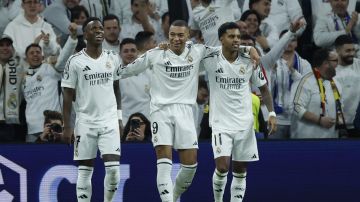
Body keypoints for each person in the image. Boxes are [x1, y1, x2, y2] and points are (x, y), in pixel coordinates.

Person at [118, 19, 259, 202]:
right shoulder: (156, 54)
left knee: (190, 168)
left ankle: (174, 196)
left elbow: (227, 49)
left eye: (180, 35)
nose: (176, 39)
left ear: (187, 36)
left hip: (186, 111)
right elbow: (127, 70)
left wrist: (250, 49)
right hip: (160, 111)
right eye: (172, 35)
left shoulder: (198, 51)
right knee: (164, 162)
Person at [200, 22, 276, 202]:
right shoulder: (211, 58)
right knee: (223, 166)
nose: (235, 40)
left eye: (238, 37)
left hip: (244, 124)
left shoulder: (250, 61)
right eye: (231, 36)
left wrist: (272, 114)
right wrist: (249, 47)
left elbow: (264, 89)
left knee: (240, 170)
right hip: (220, 123)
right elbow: (189, 50)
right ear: (221, 39)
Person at [61, 17, 122, 202]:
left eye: (101, 28)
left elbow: (117, 88)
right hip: (85, 121)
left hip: (109, 120)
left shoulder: (113, 58)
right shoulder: (75, 61)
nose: (99, 31)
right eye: (94, 28)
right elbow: (67, 95)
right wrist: (67, 126)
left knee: (113, 171)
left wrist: (119, 118)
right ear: (85, 34)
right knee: (85, 171)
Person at [22, 24, 77, 142]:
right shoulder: (23, 78)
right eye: (31, 53)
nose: (35, 54)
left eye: (38, 52)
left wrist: (72, 39)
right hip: (32, 129)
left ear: (42, 56)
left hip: (53, 125)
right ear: (26, 58)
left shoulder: (49, 69)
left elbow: (63, 57)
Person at [290, 49, 344, 138]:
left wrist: (342, 130)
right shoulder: (306, 81)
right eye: (335, 61)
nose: (338, 64)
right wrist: (319, 120)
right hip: (308, 140)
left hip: (331, 140)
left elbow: (340, 109)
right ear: (326, 63)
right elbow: (296, 107)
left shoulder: (336, 84)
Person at [0, 34, 27, 142]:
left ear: (13, 48)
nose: (5, 48)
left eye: (8, 45)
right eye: (1, 45)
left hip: (10, 124)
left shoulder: (20, 67)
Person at [334, 35, 360, 137]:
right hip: (339, 126)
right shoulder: (330, 70)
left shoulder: (358, 64)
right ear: (337, 50)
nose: (352, 54)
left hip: (358, 124)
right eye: (348, 51)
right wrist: (340, 125)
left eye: (353, 50)